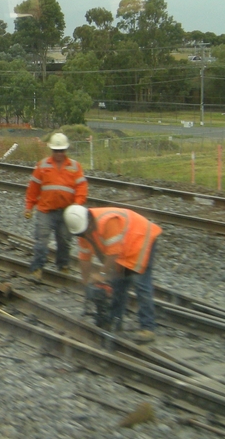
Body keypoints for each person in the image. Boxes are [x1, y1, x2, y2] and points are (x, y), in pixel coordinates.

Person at [63, 205, 162, 342]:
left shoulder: (108, 221)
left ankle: (148, 328)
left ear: (89, 221)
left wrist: (102, 274)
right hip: (125, 247)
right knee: (118, 283)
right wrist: (86, 282)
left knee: (141, 283)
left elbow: (113, 253)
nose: (83, 235)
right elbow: (84, 258)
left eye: (83, 232)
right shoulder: (83, 232)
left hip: (141, 237)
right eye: (80, 234)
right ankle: (115, 321)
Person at [24, 132, 88, 280]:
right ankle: (37, 269)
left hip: (67, 212)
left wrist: (77, 207)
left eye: (62, 150)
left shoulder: (74, 166)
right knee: (42, 241)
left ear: (66, 150)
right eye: (56, 150)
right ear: (51, 150)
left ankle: (63, 266)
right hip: (45, 211)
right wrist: (29, 206)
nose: (59, 153)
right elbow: (33, 188)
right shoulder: (43, 165)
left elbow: (81, 188)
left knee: (65, 241)